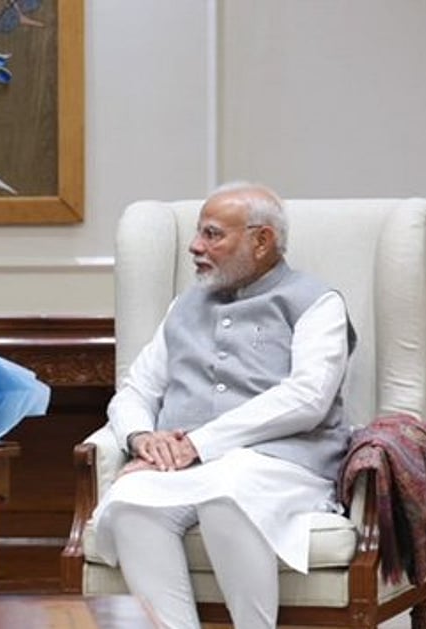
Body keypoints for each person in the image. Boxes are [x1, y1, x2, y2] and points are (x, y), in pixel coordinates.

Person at [94, 182, 355, 629]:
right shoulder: (184, 306)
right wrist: (142, 438)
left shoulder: (317, 302)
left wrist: (198, 444)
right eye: (198, 232)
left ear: (261, 241)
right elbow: (137, 389)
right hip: (185, 466)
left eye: (212, 234)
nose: (195, 246)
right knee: (130, 501)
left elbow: (308, 397)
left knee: (226, 495)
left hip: (282, 462)